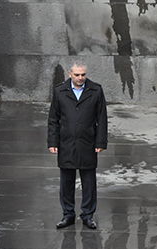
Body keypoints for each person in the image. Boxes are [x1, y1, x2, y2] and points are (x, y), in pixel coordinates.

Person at [47, 60, 108, 230]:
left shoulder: (96, 90)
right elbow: (53, 118)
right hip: (66, 142)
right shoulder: (60, 90)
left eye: (83, 75)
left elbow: (101, 118)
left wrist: (101, 141)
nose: (80, 78)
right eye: (77, 75)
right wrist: (52, 141)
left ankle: (88, 215)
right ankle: (68, 215)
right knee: (66, 181)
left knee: (88, 181)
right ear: (70, 74)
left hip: (88, 141)